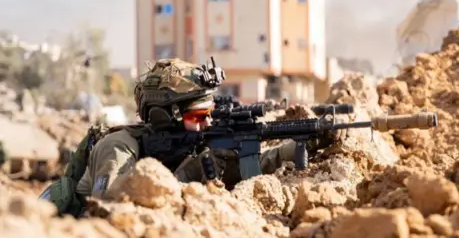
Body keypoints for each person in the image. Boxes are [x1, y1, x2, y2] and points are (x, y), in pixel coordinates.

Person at [39, 58, 337, 217]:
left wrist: (290, 149)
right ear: (163, 118)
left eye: (209, 113)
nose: (208, 122)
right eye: (198, 117)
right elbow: (109, 211)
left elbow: (239, 169)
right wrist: (185, 176)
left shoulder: (192, 141)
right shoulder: (117, 147)